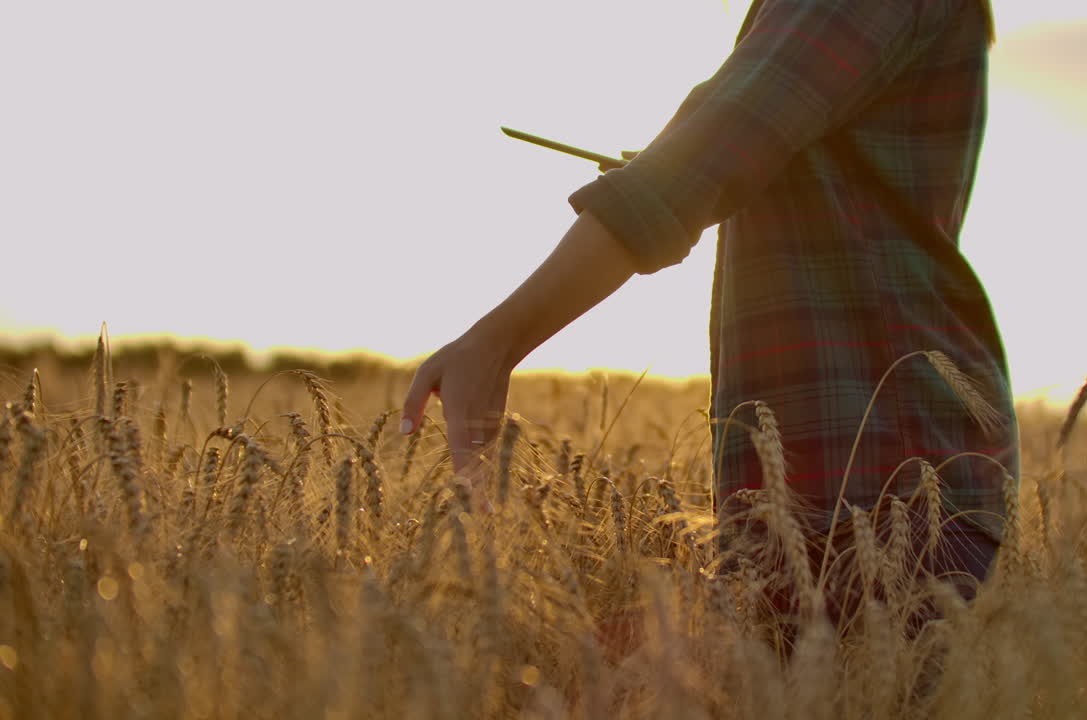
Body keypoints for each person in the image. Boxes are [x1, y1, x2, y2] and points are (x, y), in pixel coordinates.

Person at [400, 0, 1016, 631]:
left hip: (873, 471)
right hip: (851, 470)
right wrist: (675, 173)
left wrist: (493, 344)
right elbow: (756, 162)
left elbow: (706, 156)